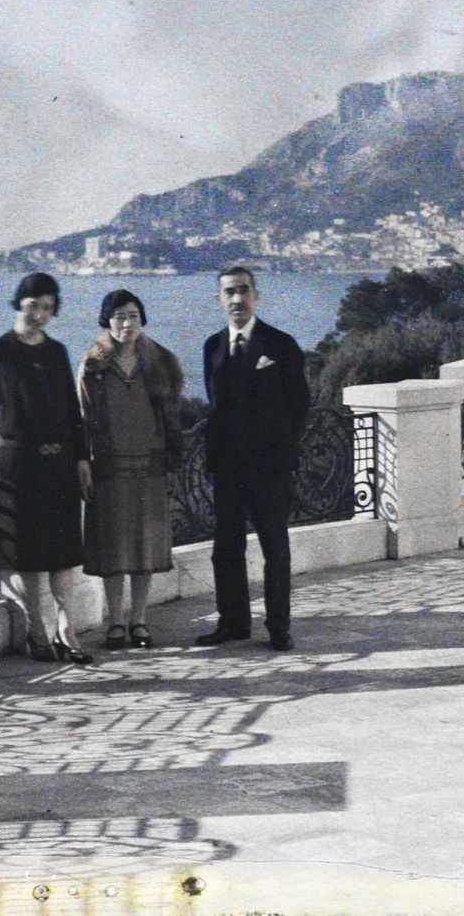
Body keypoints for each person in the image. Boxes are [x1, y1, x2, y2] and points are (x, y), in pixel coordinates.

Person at [0, 273, 94, 665]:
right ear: (19, 303)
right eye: (33, 306)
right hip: (17, 469)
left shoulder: (57, 352)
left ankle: (66, 627)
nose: (40, 315)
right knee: (28, 552)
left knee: (61, 552)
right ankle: (36, 628)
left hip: (59, 465)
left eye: (47, 308)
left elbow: (72, 410)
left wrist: (80, 457)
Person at [197, 264, 309, 651]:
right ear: (219, 299)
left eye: (244, 290)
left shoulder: (280, 345)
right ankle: (233, 622)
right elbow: (216, 407)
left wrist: (277, 452)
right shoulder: (212, 346)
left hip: (269, 470)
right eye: (229, 292)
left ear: (256, 295)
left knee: (275, 549)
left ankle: (279, 627)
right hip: (227, 469)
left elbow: (300, 406)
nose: (237, 299)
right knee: (226, 549)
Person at [77, 288, 185, 649]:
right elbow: (81, 420)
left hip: (150, 468)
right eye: (120, 316)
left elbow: (173, 420)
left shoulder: (162, 362)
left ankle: (139, 620)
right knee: (112, 549)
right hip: (108, 469)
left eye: (134, 315)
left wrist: (172, 465)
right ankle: (116, 622)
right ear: (107, 321)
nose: (127, 323)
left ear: (143, 319)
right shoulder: (93, 366)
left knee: (144, 549)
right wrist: (84, 466)